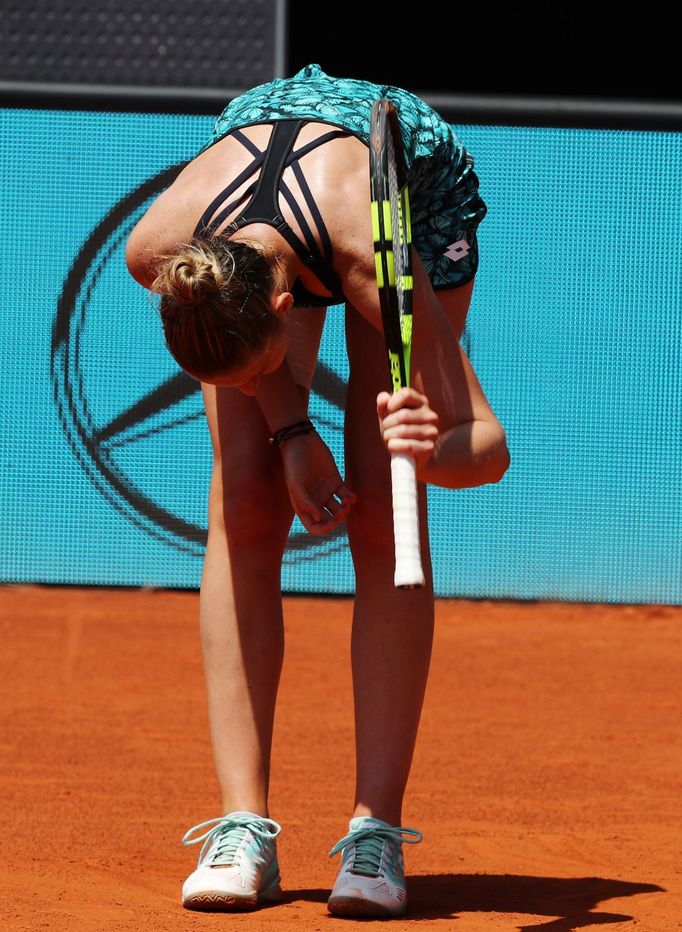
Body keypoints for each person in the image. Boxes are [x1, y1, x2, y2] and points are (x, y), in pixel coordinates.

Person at [125, 63, 509, 919]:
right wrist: (289, 432)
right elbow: (250, 370)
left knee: (385, 501)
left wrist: (430, 447)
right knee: (246, 502)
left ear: (291, 305)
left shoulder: (382, 272)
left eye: (273, 356)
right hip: (267, 179)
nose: (269, 378)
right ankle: (241, 827)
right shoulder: (161, 255)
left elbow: (486, 448)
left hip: (402, 188)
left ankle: (376, 830)